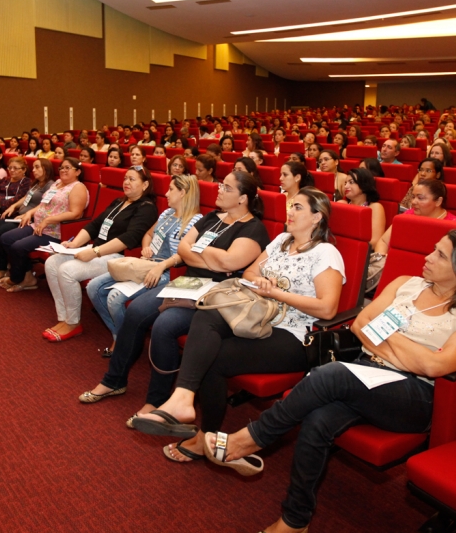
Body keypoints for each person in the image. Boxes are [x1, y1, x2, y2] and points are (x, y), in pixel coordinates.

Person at [204, 230, 456, 533]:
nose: (428, 257)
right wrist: (400, 348)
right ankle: (294, 522)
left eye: (441, 255)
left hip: (412, 396)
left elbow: (433, 367)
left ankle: (253, 438)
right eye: (433, 249)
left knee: (333, 373)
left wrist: (386, 339)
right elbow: (361, 326)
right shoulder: (406, 283)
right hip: (367, 372)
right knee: (318, 419)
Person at [131, 188, 345, 462]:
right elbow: (251, 271)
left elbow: (328, 308)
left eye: (299, 208)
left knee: (214, 358)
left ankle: (204, 435)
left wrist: (275, 292)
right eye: (291, 206)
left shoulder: (326, 253)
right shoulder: (281, 240)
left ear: (317, 217)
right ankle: (183, 398)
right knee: (207, 311)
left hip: (293, 335)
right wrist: (261, 282)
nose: (290, 212)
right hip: (256, 317)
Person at [92, 171, 270, 425]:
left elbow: (230, 264)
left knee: (164, 326)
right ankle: (114, 381)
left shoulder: (254, 229)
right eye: (221, 185)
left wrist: (200, 251)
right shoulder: (211, 217)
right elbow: (185, 250)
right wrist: (211, 256)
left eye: (227, 188)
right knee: (136, 311)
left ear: (243, 198)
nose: (219, 190)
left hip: (217, 293)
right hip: (187, 283)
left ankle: (158, 401)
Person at [82, 174, 202, 361]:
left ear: (183, 193)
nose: (166, 193)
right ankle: (120, 335)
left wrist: (161, 264)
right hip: (148, 263)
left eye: (171, 189)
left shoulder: (195, 221)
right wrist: (147, 246)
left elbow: (185, 254)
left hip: (168, 271)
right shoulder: (167, 213)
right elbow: (148, 233)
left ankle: (124, 345)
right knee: (94, 287)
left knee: (114, 298)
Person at [42, 167, 159, 342]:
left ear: (145, 185)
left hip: (117, 256)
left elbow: (130, 238)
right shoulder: (119, 202)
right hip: (96, 251)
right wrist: (75, 244)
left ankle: (73, 323)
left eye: (132, 179)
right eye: (125, 178)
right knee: (52, 263)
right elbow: (95, 225)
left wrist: (95, 252)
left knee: (67, 270)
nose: (126, 182)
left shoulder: (146, 208)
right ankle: (64, 317)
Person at [0, 158, 88, 292]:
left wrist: (48, 220)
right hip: (38, 226)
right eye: (61, 168)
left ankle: (17, 278)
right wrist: (29, 213)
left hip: (55, 231)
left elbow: (75, 213)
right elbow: (43, 204)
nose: (63, 170)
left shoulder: (78, 187)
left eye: (67, 168)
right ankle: (27, 275)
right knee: (6, 238)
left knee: (18, 247)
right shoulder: (57, 183)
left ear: (78, 172)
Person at [0, 158, 55, 284]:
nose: (34, 170)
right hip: (20, 215)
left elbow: (45, 206)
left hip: (30, 218)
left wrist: (27, 214)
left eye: (37, 167)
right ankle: (3, 265)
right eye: (33, 167)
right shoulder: (36, 183)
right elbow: (25, 197)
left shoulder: (50, 185)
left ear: (46, 168)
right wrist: (14, 206)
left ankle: (5, 267)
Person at [339, 168, 385, 248]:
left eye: (351, 182)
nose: (346, 186)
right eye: (345, 183)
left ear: (364, 185)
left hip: (361, 251)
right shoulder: (342, 204)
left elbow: (374, 241)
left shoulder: (375, 207)